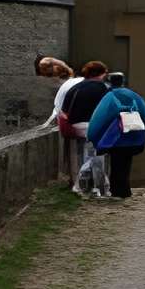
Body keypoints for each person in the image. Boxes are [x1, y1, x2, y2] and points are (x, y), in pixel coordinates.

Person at [86, 72, 145, 200]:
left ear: (110, 82)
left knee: (116, 164)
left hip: (116, 139)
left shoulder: (110, 97)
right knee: (126, 164)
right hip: (134, 137)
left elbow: (100, 117)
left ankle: (117, 190)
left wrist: (92, 136)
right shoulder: (135, 96)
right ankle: (124, 189)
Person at [59, 61, 112, 196]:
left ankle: (88, 186)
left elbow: (65, 110)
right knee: (95, 157)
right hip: (96, 127)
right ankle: (91, 187)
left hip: (77, 126)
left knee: (83, 156)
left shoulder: (76, 88)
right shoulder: (105, 89)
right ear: (101, 73)